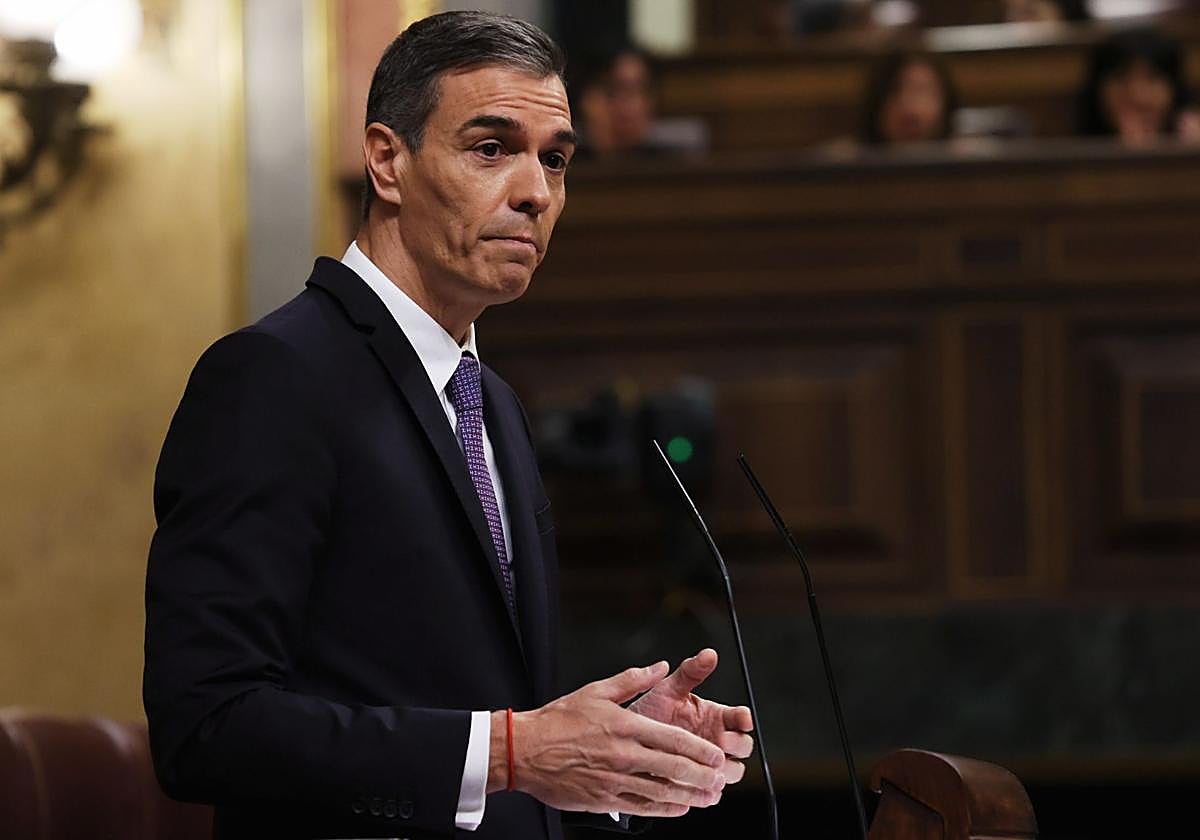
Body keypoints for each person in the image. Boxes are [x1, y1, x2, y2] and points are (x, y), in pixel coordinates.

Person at [143, 11, 754, 840]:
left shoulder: (492, 402)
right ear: (388, 160)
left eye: (557, 159)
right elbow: (207, 725)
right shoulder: (274, 378)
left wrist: (614, 756)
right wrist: (511, 751)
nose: (537, 191)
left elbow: (486, 711)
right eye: (492, 147)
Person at [1078, 27, 1199, 147]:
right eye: (1121, 78)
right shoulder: (1075, 153)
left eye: (1152, 78)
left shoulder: (1193, 140)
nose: (1137, 95)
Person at [861, 50, 960, 146]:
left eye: (921, 90)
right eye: (895, 90)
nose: (910, 107)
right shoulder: (854, 158)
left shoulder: (965, 157)